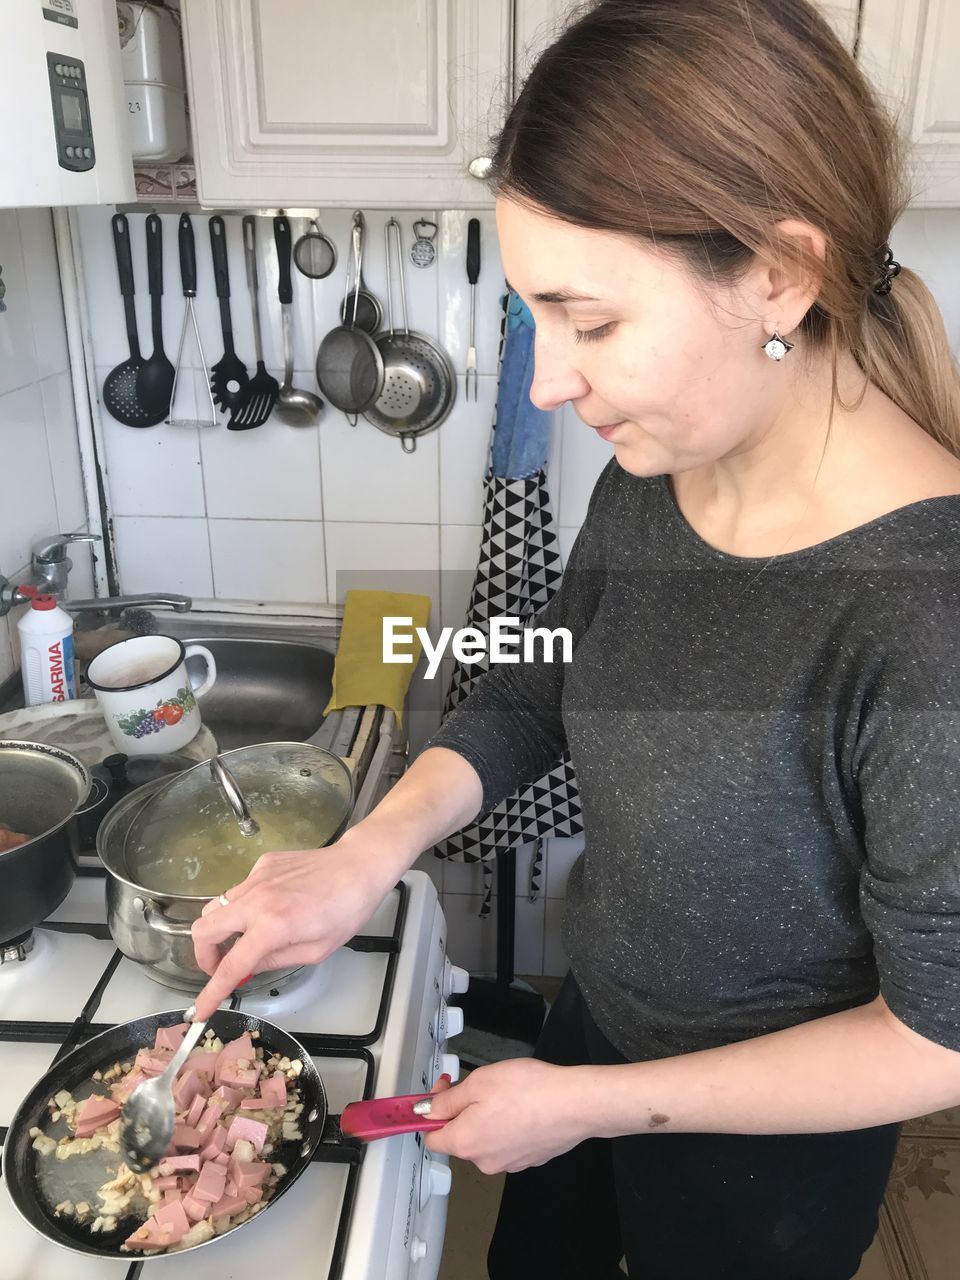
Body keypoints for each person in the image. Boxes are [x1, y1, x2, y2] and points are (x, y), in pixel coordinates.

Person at [191, 2, 960, 1275]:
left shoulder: (922, 614)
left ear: (777, 272)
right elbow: (551, 681)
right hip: (596, 1022)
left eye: (590, 322)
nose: (549, 382)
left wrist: (591, 1105)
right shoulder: (668, 460)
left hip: (759, 1147)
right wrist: (365, 855)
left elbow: (935, 1036)